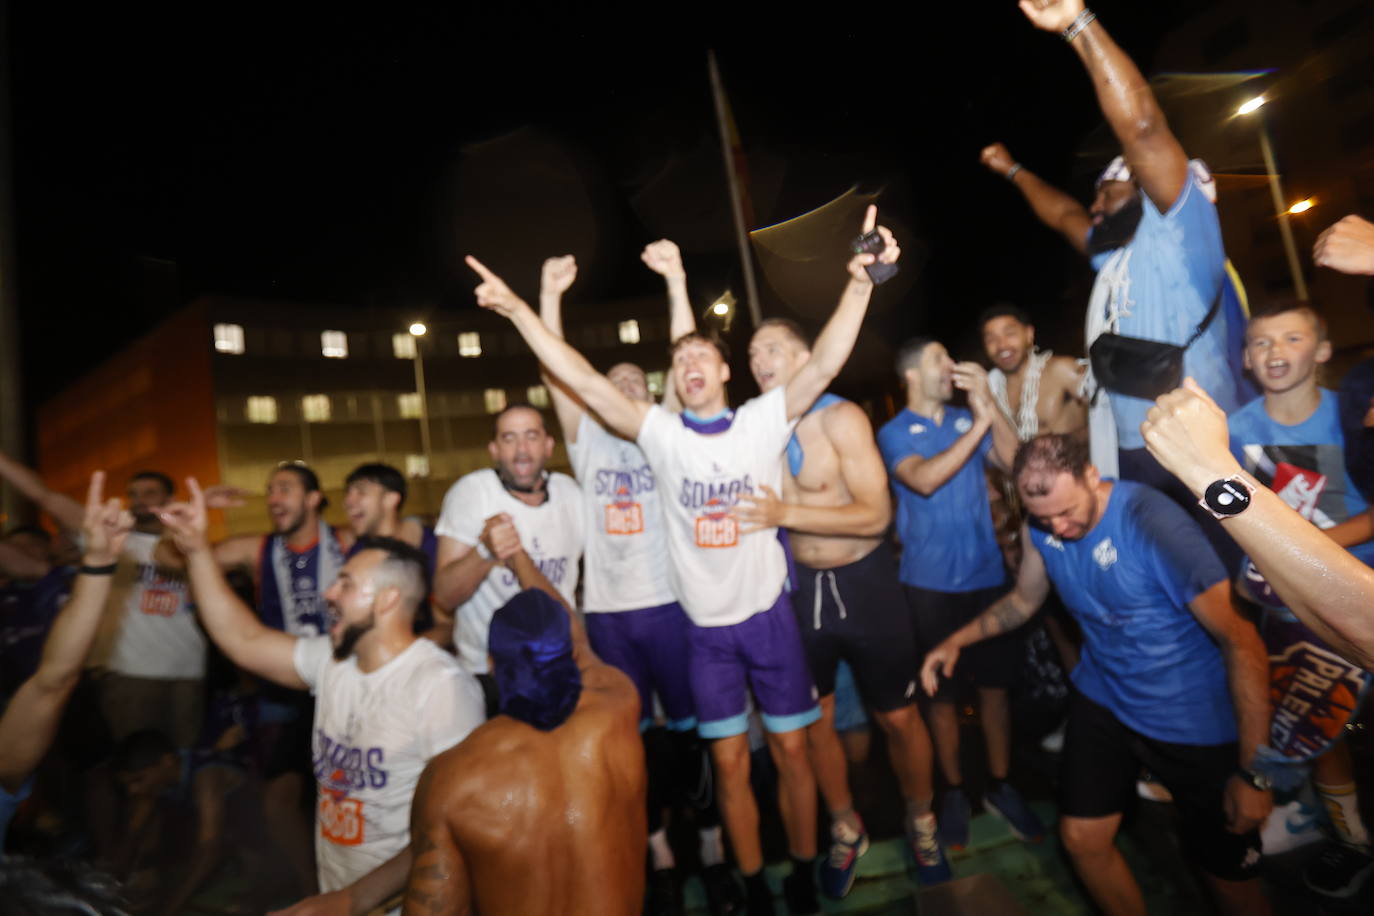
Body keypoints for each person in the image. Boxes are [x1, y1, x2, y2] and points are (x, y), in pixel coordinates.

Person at [464, 203, 896, 915]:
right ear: (674, 379)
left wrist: (860, 282)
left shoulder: (762, 419)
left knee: (792, 753)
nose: (691, 363)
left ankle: (803, 866)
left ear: (726, 370)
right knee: (726, 764)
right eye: (681, 357)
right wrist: (518, 309)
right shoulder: (660, 434)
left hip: (767, 621)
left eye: (704, 355)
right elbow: (578, 374)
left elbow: (823, 362)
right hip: (704, 633)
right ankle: (753, 883)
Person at [920, 434, 1273, 916]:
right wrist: (954, 641)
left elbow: (1242, 639)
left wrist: (1255, 774)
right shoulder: (1041, 526)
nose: (1058, 527)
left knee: (1228, 878)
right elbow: (1024, 600)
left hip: (1192, 718)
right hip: (1106, 696)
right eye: (1044, 518)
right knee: (1082, 838)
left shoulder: (1150, 523)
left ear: (1092, 476)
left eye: (1066, 512)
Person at [156, 479, 485, 915]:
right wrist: (197, 551)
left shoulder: (441, 687)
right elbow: (243, 638)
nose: (329, 592)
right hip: (338, 899)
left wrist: (353, 899)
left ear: (387, 600)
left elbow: (456, 829)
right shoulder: (333, 661)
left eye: (346, 584)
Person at [539, 246, 735, 913]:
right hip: (611, 616)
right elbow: (555, 365)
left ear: (654, 394)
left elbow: (684, 355)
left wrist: (678, 279)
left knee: (690, 735)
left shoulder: (668, 433)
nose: (623, 386)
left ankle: (708, 843)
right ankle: (657, 850)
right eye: (611, 380)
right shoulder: (587, 439)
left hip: (671, 608)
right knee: (627, 740)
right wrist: (549, 296)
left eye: (634, 380)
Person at [983, 0, 1245, 485]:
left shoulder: (1181, 228)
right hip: (1132, 446)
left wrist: (1077, 25)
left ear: (1143, 188)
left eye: (1107, 191)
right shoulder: (1110, 253)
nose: (1095, 206)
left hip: (1204, 447)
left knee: (1219, 563)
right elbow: (1063, 215)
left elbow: (1143, 129)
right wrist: (1012, 171)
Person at [736, 317, 951, 892]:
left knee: (898, 717)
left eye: (773, 348)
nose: (759, 359)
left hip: (867, 584)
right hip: (801, 591)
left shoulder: (842, 418)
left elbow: (877, 516)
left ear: (809, 358)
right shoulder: (758, 429)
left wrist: (786, 514)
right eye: (754, 351)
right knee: (815, 724)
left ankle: (920, 817)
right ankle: (845, 826)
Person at [1225, 300, 1374, 897]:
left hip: (1360, 599)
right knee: (1322, 731)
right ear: (1245, 358)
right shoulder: (1234, 430)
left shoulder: (1353, 416)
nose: (1275, 352)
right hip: (1290, 609)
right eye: (1261, 342)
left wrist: (1300, 545)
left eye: (1291, 338)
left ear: (1322, 350)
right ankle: (1351, 840)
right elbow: (1229, 506)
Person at [876, 337, 1044, 850]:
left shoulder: (964, 420)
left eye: (951, 357)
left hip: (988, 576)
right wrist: (977, 428)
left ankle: (999, 783)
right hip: (929, 585)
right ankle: (952, 791)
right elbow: (924, 480)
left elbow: (1019, 464)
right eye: (937, 359)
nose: (950, 366)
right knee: (942, 698)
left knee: (996, 689)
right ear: (910, 374)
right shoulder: (893, 432)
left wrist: (987, 409)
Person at [403, 587, 646, 915]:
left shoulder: (451, 780)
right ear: (571, 654)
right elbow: (581, 642)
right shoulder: (618, 702)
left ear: (491, 664)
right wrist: (519, 558)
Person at [1145, 380, 1374, 672]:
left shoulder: (1342, 413)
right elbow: (1342, 632)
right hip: (1288, 600)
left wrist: (1210, 472)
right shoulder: (1242, 422)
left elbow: (1366, 632)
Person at [0, 472, 132, 846]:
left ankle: (102, 851)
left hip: (67, 692)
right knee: (41, 776)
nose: (15, 557)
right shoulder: (8, 595)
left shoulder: (56, 579)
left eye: (25, 548)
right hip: (17, 698)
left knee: (93, 771)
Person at [432, 406, 585, 684]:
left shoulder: (570, 493)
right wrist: (484, 552)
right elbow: (444, 596)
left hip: (558, 662)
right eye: (509, 438)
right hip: (488, 671)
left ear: (549, 445)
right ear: (494, 449)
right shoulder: (472, 493)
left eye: (531, 436)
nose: (521, 450)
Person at [95, 471, 206, 749]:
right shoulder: (117, 543)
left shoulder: (189, 544)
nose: (139, 500)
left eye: (149, 493)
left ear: (169, 499)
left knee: (183, 763)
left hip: (189, 671)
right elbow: (50, 500)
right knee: (137, 766)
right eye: (133, 494)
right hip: (132, 674)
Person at [978, 304, 1086, 442]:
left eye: (1010, 334)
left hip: (1076, 461)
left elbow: (1108, 414)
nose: (1002, 345)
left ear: (1029, 334)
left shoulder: (1062, 370)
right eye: (991, 339)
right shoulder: (991, 389)